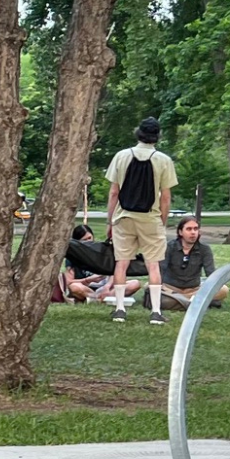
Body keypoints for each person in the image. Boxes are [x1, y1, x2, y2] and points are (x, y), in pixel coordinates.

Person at [103, 117, 177, 322]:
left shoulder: (121, 156)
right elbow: (166, 197)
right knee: (153, 265)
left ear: (138, 133)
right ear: (157, 136)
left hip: (123, 216)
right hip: (150, 218)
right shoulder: (163, 160)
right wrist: (161, 221)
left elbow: (114, 192)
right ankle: (156, 312)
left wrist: (110, 221)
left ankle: (119, 309)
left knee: (122, 263)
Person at [153, 215, 216, 312]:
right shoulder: (169, 246)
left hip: (194, 289)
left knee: (223, 290)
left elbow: (211, 273)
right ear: (180, 232)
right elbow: (161, 269)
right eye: (189, 229)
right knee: (151, 288)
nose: (193, 232)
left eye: (195, 229)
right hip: (171, 289)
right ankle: (196, 302)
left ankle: (182, 301)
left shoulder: (204, 249)